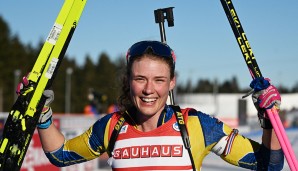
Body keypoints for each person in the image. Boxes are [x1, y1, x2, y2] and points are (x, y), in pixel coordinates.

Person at [18, 40, 284, 170]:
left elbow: (270, 164)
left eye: (159, 80)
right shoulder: (113, 126)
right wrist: (42, 114)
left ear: (171, 83)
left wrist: (268, 117)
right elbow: (60, 155)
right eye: (140, 79)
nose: (148, 89)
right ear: (129, 81)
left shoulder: (196, 125)